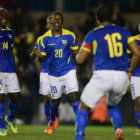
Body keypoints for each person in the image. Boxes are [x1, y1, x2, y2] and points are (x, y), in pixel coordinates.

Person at [74, 5, 140, 140]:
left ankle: (79, 137)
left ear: (97, 18)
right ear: (112, 17)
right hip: (122, 77)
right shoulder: (124, 31)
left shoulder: (93, 33)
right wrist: (130, 71)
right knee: (112, 104)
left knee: (83, 107)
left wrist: (76, 55)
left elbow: (80, 60)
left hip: (103, 75)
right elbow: (137, 53)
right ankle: (118, 129)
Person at [34, 12, 80, 135]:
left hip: (69, 70)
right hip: (53, 73)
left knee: (74, 95)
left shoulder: (70, 35)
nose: (57, 22)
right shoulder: (45, 38)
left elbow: (76, 53)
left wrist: (81, 56)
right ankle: (52, 120)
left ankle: (80, 124)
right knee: (54, 101)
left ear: (62, 22)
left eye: (59, 20)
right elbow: (42, 58)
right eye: (55, 20)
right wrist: (39, 56)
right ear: (52, 22)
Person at [30, 16, 59, 133]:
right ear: (47, 26)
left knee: (53, 97)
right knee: (46, 98)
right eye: (51, 24)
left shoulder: (61, 39)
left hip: (56, 72)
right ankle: (50, 123)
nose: (53, 25)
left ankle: (53, 120)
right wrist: (34, 54)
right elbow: (34, 58)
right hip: (45, 72)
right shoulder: (41, 39)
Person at [0, 8, 20, 136]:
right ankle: (2, 126)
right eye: (1, 15)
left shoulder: (11, 33)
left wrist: (15, 66)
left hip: (11, 70)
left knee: (15, 97)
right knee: (0, 98)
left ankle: (10, 118)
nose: (3, 17)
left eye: (5, 15)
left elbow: (11, 51)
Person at [130, 24, 140, 135]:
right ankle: (139, 127)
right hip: (137, 75)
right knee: (138, 100)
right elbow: (126, 55)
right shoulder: (133, 40)